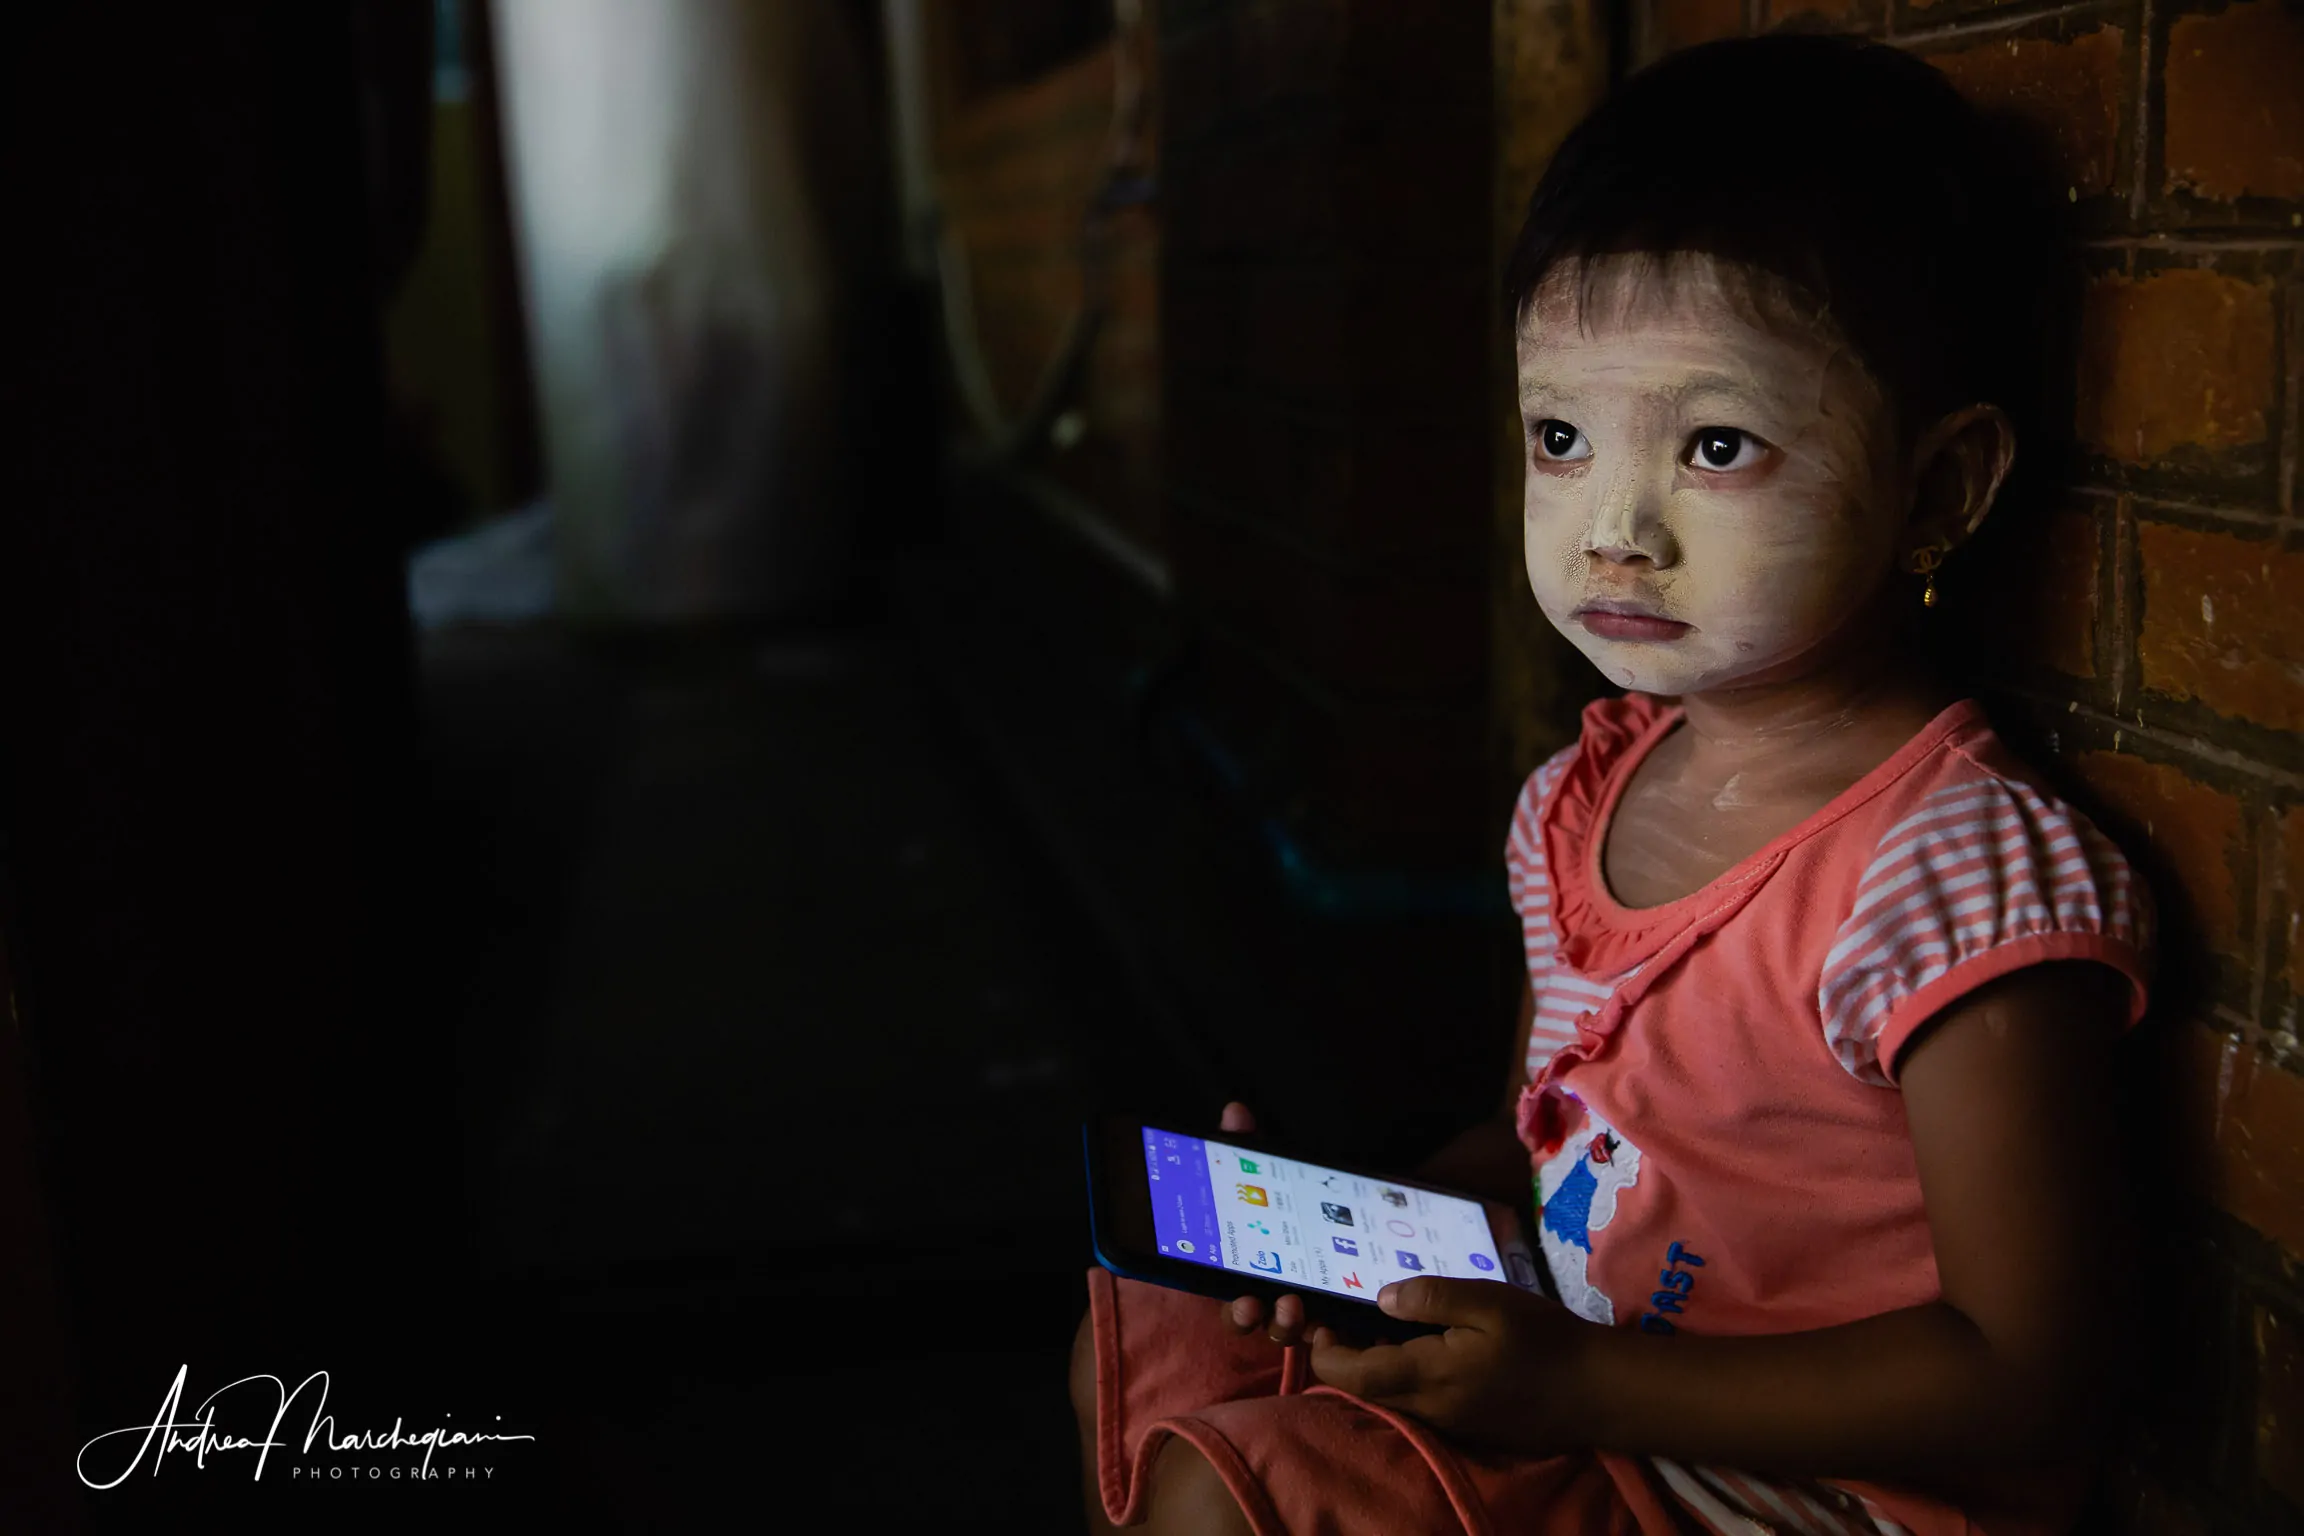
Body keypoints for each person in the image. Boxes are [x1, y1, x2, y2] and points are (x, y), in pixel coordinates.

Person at [1070, 32, 2150, 1536]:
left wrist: (1582, 1391)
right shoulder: (1575, 806)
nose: (1611, 531)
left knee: (1225, 1491)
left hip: (1805, 1496)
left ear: (1941, 490)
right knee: (1166, 1332)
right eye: (1561, 438)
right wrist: (1354, 1232)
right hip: (1586, 1398)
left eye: (1716, 445)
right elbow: (1544, 1153)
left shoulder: (1944, 873)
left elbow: (2035, 1375)